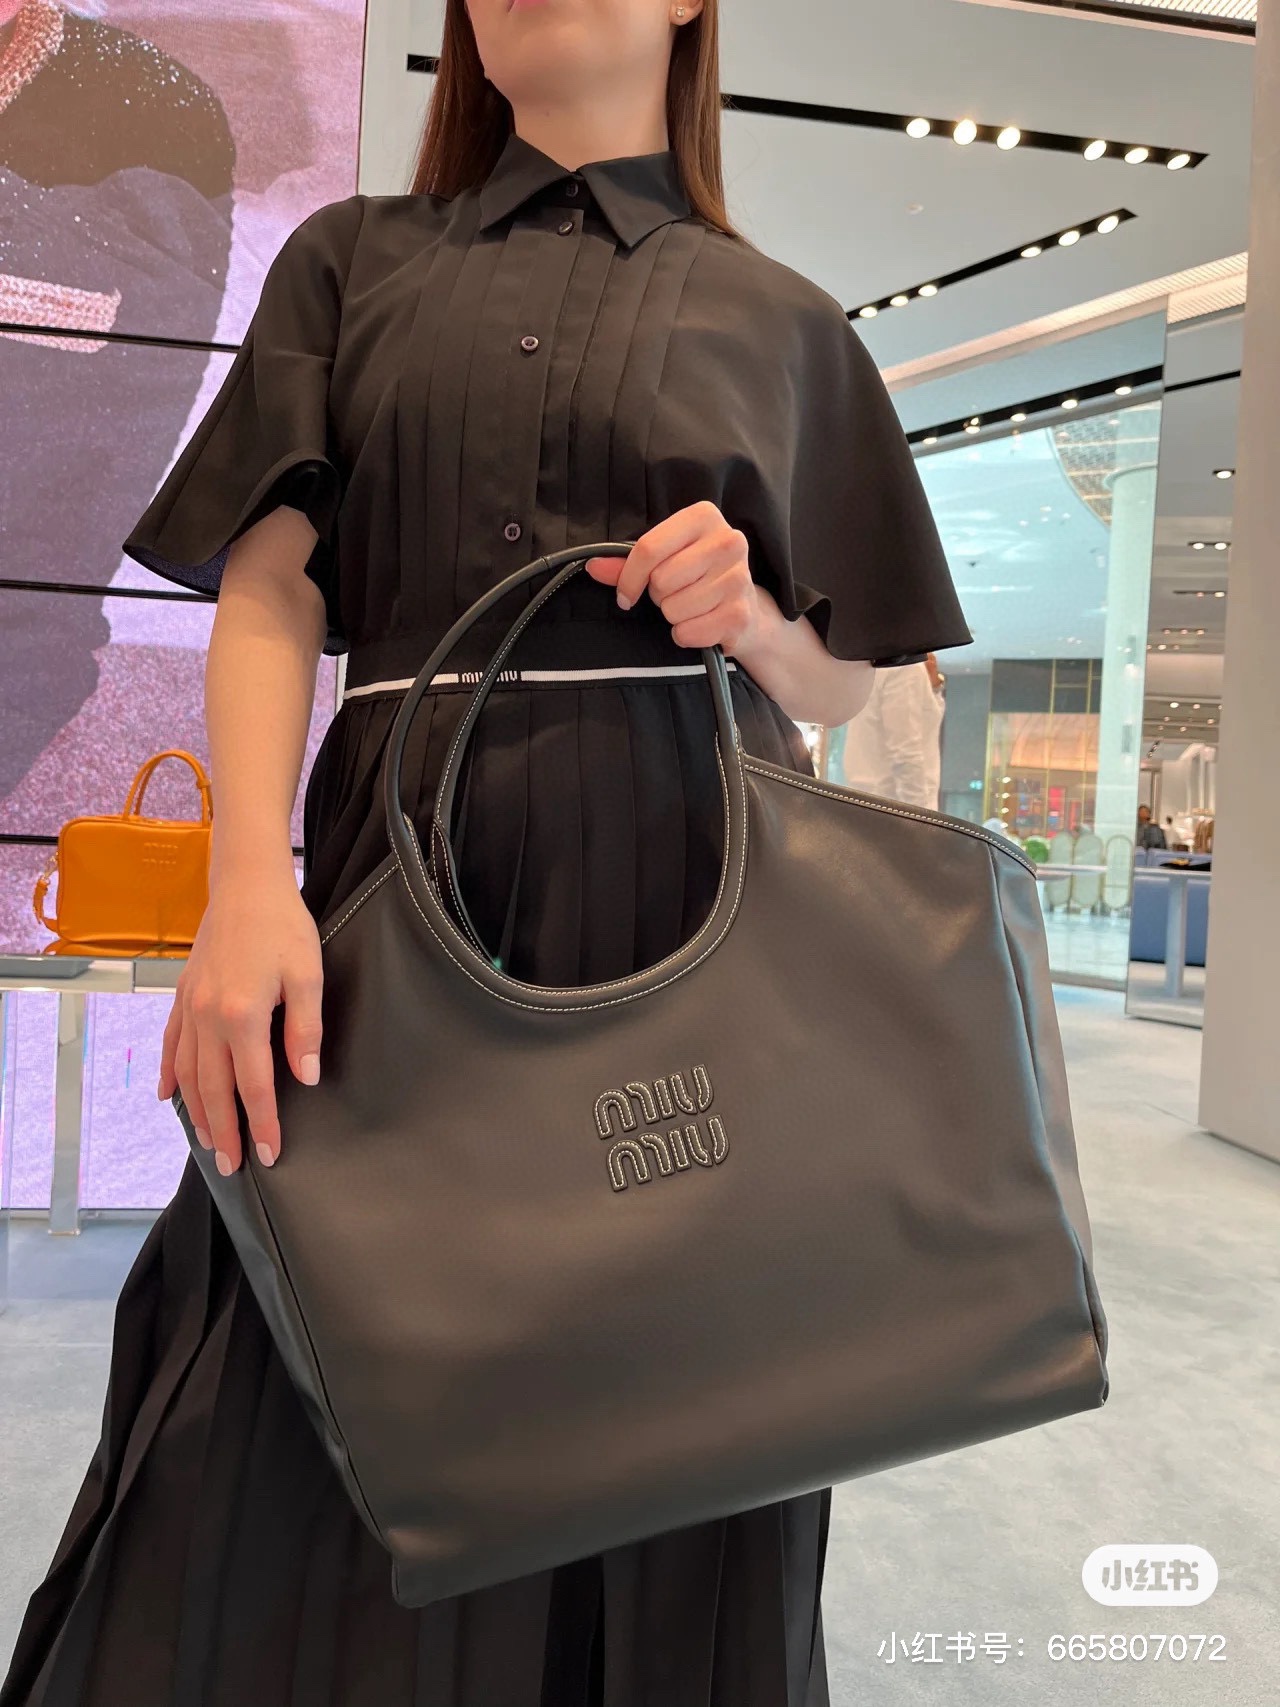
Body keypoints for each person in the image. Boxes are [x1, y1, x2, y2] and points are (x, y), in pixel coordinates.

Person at [0, 1, 972, 1701]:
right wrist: (246, 885)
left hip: (688, 920)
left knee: (674, 1414)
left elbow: (842, 671)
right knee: (277, 1406)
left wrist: (748, 611)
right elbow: (271, 586)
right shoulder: (351, 260)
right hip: (385, 900)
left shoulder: (787, 319)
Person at [839, 651, 946, 809]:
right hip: (893, 806)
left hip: (872, 802)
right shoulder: (906, 666)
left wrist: (934, 687)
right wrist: (918, 816)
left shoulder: (872, 661)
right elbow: (905, 752)